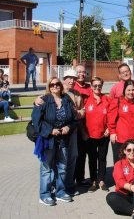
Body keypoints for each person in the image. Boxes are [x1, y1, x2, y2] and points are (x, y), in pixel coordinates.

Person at [31, 77, 77, 206]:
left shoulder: (66, 99)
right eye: (52, 84)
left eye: (57, 84)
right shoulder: (43, 100)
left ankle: (60, 191)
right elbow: (36, 121)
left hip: (63, 139)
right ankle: (44, 194)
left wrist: (69, 127)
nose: (55, 86)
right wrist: (50, 130)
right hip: (48, 140)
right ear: (49, 86)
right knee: (46, 168)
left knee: (62, 167)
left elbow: (74, 119)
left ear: (61, 86)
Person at [106, 139, 134, 219]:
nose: (132, 152)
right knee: (110, 197)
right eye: (129, 150)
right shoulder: (119, 164)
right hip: (126, 195)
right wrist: (131, 187)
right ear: (124, 151)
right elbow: (119, 181)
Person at [108, 80, 134, 164]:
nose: (131, 92)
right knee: (120, 162)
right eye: (129, 90)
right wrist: (112, 132)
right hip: (121, 139)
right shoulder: (118, 101)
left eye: (133, 90)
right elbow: (111, 118)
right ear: (124, 90)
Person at [84, 77, 110, 192]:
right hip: (90, 136)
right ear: (91, 86)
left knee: (102, 158)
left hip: (104, 135)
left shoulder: (107, 99)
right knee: (92, 158)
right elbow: (82, 118)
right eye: (95, 86)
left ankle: (101, 180)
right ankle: (93, 180)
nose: (97, 88)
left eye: (99, 85)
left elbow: (112, 116)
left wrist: (109, 128)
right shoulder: (86, 100)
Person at [74, 65, 92, 187]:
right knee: (75, 154)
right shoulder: (71, 86)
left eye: (83, 72)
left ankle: (80, 178)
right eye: (79, 72)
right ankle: (71, 178)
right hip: (76, 125)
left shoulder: (89, 87)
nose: (81, 74)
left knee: (83, 154)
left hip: (88, 124)